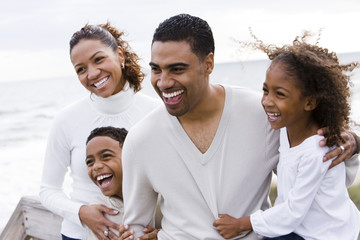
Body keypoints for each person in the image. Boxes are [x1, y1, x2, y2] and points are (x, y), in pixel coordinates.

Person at [121, 14, 360, 239]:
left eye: (177, 69)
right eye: (155, 69)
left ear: (209, 64)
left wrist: (350, 142)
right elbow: (136, 228)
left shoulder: (263, 114)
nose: (163, 82)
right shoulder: (141, 139)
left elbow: (321, 182)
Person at [213, 31, 360, 239]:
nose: (267, 101)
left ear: (309, 102)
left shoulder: (316, 150)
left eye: (280, 94)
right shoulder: (286, 128)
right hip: (302, 228)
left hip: (325, 234)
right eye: (265, 91)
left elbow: (292, 211)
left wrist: (241, 224)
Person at [39, 23, 160, 240]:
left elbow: (174, 183)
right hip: (79, 235)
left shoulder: (156, 113)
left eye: (98, 59)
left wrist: (163, 232)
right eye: (81, 69)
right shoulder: (66, 120)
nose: (92, 73)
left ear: (120, 55)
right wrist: (81, 213)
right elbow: (48, 190)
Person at [85, 126, 161, 240]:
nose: (96, 166)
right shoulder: (99, 210)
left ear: (130, 156)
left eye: (106, 156)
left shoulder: (161, 196)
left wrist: (163, 236)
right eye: (89, 162)